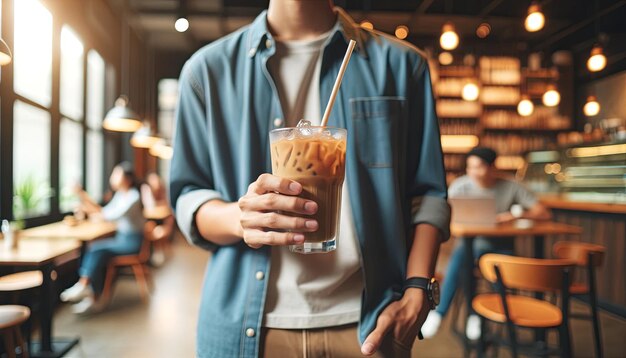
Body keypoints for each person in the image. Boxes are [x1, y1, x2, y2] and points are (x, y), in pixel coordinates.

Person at [170, 1, 451, 356]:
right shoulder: (207, 71)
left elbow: (428, 194)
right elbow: (188, 196)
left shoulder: (402, 64)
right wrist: (240, 218)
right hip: (247, 325)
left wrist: (417, 291)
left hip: (370, 324)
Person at [421, 147, 551, 340]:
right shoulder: (460, 186)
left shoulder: (511, 186)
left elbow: (544, 213)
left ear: (492, 167)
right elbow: (446, 214)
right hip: (470, 246)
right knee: (465, 255)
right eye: (470, 167)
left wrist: (515, 215)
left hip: (502, 249)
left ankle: (452, 314)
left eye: (478, 167)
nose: (473, 172)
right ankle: (476, 315)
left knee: (465, 260)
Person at [60, 162, 145, 314]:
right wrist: (83, 197)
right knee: (96, 250)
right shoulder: (121, 195)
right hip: (122, 238)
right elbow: (103, 211)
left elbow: (107, 215)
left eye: (116, 174)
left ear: (127, 179)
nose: (112, 177)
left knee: (98, 250)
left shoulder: (133, 197)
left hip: (132, 242)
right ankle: (92, 294)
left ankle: (87, 287)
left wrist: (82, 195)